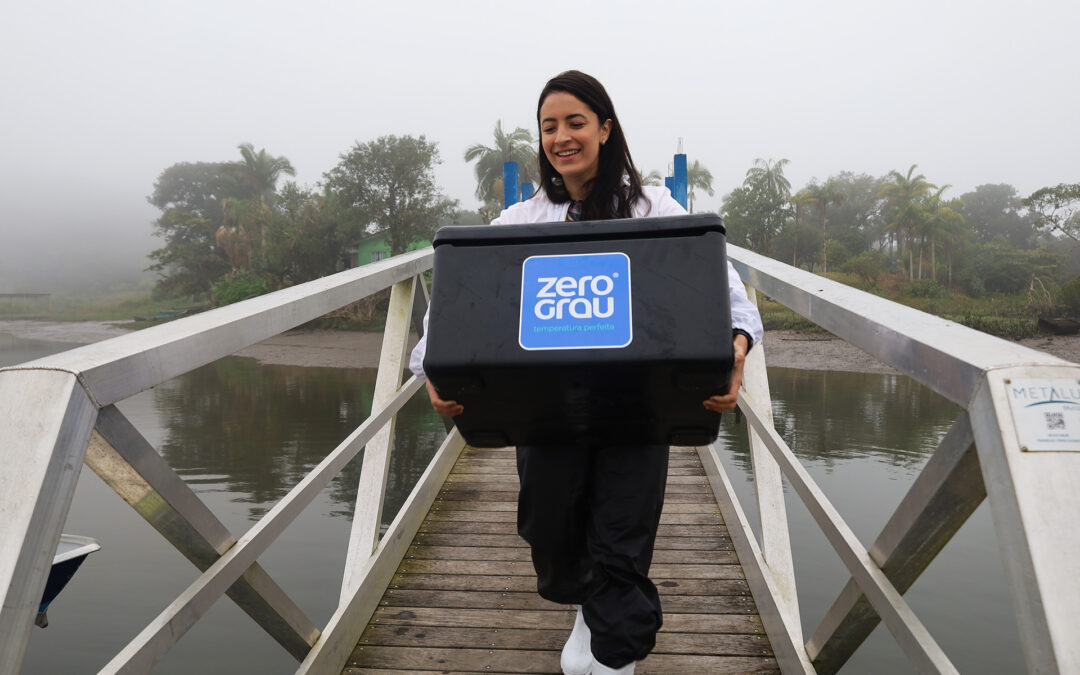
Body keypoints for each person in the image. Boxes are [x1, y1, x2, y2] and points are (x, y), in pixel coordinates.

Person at [409, 70, 763, 675]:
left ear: (604, 127)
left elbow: (730, 300)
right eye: (549, 126)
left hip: (636, 409)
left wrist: (738, 348)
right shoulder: (518, 223)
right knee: (550, 532)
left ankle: (614, 650)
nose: (562, 137)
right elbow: (456, 309)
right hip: (547, 413)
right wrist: (429, 371)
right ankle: (589, 600)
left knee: (622, 535)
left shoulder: (658, 208)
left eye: (575, 122)